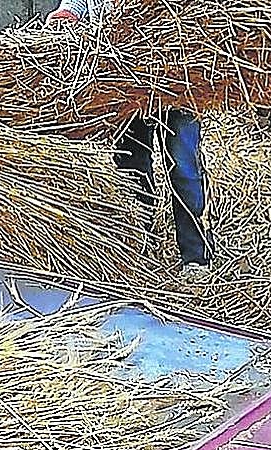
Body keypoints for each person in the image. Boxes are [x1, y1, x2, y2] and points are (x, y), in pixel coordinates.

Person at [49, 1, 214, 269]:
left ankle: (195, 257)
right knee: (132, 167)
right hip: (123, 85)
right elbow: (76, 4)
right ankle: (142, 246)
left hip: (177, 79)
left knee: (183, 166)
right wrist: (67, 14)